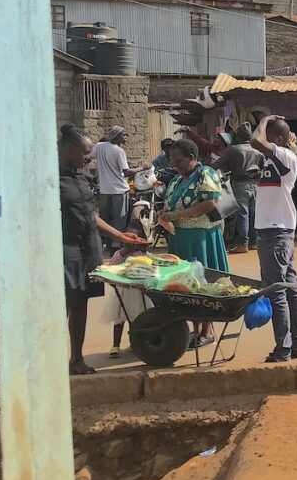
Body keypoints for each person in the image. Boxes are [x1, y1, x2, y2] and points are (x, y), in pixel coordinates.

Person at [59, 125, 131, 374]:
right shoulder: (50, 178)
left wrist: (120, 235)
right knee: (62, 302)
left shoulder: (81, 176)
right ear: (68, 149)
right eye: (85, 152)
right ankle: (51, 360)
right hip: (64, 247)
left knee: (80, 301)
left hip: (88, 246)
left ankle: (76, 359)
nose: (89, 157)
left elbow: (91, 216)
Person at [159, 139, 229, 349]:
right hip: (180, 238)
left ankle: (206, 331)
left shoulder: (204, 174)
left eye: (179, 161)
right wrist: (165, 214)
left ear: (192, 158)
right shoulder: (177, 179)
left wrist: (178, 214)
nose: (175, 165)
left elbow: (211, 202)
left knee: (202, 284)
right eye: (173, 161)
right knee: (186, 285)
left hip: (201, 238)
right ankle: (196, 329)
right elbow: (170, 202)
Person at [251, 114, 297, 363]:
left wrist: (263, 120)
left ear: (280, 139)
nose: (265, 139)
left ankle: (283, 349)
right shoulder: (277, 159)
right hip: (277, 229)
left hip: (275, 231)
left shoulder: (285, 156)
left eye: (270, 136)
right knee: (290, 288)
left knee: (277, 291)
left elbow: (255, 141)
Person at [215, 123, 264, 254]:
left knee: (243, 214)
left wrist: (204, 168)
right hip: (255, 184)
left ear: (238, 136)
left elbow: (218, 163)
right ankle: (254, 242)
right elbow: (263, 167)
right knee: (254, 214)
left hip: (240, 184)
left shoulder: (234, 150)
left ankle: (243, 244)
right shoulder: (258, 151)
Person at [92, 125, 146, 246]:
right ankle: (116, 245)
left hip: (104, 190)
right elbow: (127, 172)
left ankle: (102, 243)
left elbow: (89, 157)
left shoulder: (100, 146)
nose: (126, 137)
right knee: (119, 218)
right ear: (117, 136)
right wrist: (143, 167)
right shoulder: (118, 151)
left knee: (104, 217)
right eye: (124, 134)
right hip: (119, 190)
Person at [100, 232, 151, 358]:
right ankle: (115, 345)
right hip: (122, 292)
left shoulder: (145, 255)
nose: (131, 245)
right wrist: (124, 252)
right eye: (128, 242)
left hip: (139, 293)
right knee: (119, 319)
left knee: (137, 319)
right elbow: (111, 267)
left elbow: (151, 270)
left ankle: (134, 343)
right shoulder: (120, 254)